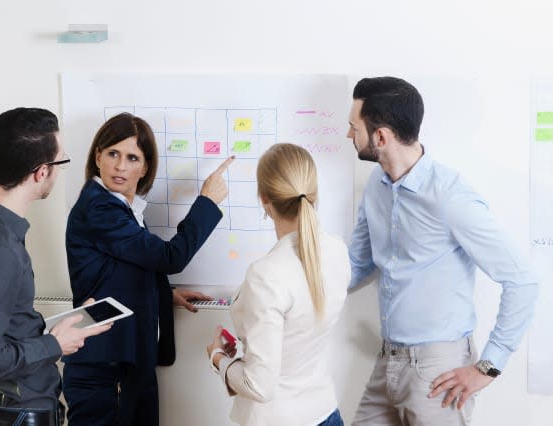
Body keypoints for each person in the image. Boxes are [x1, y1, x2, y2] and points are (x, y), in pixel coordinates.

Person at [346, 77, 538, 425]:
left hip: (438, 371)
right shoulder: (375, 186)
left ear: (381, 137)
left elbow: (522, 280)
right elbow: (356, 265)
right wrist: (294, 288)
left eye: (353, 127)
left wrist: (488, 366)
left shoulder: (451, 197)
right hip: (386, 360)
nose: (348, 135)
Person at [0, 107, 111, 426]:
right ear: (41, 172)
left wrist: (61, 326)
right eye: (61, 161)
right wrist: (55, 344)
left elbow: (1, 326)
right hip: (15, 416)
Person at [62, 112, 234, 426]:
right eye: (113, 153)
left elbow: (121, 268)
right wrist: (207, 201)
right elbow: (171, 257)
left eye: (132, 157)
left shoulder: (125, 209)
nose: (120, 166)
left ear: (145, 167)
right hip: (105, 368)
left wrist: (161, 293)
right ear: (98, 156)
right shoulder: (100, 208)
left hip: (125, 364)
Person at [206, 143, 350, 426]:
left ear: (264, 200)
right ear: (313, 193)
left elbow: (260, 386)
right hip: (326, 413)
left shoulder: (266, 274)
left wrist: (218, 358)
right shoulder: (338, 250)